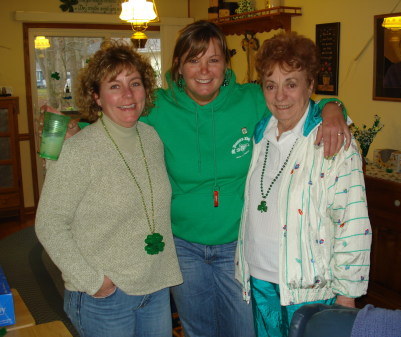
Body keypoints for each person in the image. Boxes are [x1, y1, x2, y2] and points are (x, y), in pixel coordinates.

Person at [45, 20, 350, 337]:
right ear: (178, 65)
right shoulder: (157, 106)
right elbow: (114, 124)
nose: (204, 70)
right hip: (183, 247)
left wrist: (332, 108)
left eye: (213, 60)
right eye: (194, 60)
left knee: (244, 330)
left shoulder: (252, 99)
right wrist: (69, 131)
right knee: (198, 330)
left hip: (237, 245)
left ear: (225, 65)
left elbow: (297, 100)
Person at [35, 41, 182, 337]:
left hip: (154, 287)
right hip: (105, 297)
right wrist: (94, 281)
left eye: (135, 83)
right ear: (96, 96)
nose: (128, 95)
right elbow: (49, 224)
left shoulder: (151, 138)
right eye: (114, 86)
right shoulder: (79, 151)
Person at [235, 32, 372, 337]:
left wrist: (346, 296)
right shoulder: (261, 134)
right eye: (271, 86)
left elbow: (353, 223)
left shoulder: (334, 142)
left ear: (311, 85)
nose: (280, 96)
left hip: (310, 288)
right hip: (260, 281)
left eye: (291, 84)